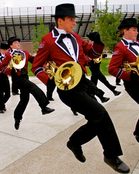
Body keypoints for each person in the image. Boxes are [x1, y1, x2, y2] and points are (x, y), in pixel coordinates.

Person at [31, 3, 130, 173]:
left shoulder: (76, 37)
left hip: (84, 82)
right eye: (71, 19)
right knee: (100, 114)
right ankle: (111, 156)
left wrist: (97, 42)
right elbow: (37, 66)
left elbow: (93, 54)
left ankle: (75, 142)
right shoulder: (47, 40)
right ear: (60, 20)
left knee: (97, 119)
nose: (74, 23)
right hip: (68, 88)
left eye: (74, 19)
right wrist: (49, 80)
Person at [0, 36, 55, 130]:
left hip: (25, 76)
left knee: (24, 100)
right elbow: (2, 67)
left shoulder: (24, 53)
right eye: (15, 43)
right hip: (17, 79)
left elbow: (33, 60)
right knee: (34, 88)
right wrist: (10, 68)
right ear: (10, 45)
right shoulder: (9, 55)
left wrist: (44, 61)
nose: (18, 44)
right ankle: (44, 107)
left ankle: (17, 118)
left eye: (18, 42)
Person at [109, 18, 139, 143]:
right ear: (125, 31)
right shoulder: (120, 47)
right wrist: (130, 76)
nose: (137, 32)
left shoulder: (137, 43)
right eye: (134, 30)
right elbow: (112, 69)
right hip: (133, 84)